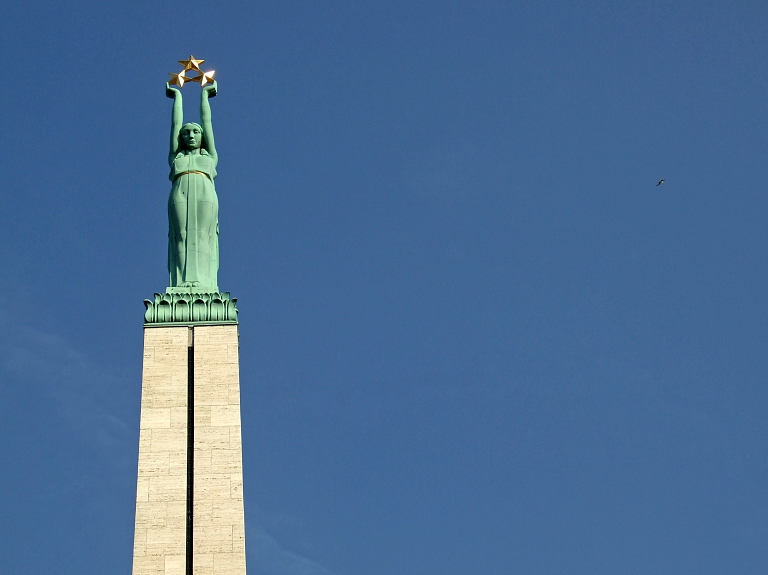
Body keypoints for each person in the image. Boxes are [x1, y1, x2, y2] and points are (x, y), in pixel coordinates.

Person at [165, 80, 219, 290]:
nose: (190, 135)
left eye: (195, 132)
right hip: (180, 191)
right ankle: (182, 282)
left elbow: (207, 121)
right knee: (181, 234)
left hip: (205, 191)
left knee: (203, 234)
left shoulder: (210, 157)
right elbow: (174, 126)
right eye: (186, 133)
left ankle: (203, 282)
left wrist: (204, 96)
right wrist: (177, 97)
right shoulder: (175, 158)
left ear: (202, 136)